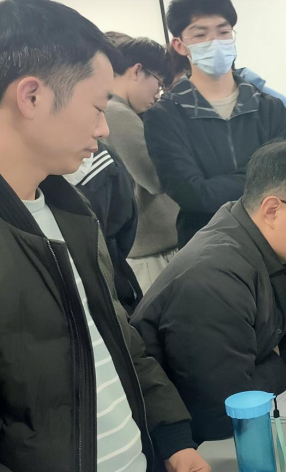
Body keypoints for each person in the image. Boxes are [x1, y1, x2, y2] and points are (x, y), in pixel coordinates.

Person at [0, 1, 210, 471]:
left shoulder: (72, 211)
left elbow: (114, 334)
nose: (103, 127)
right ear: (31, 97)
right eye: (97, 107)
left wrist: (172, 436)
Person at [131, 139, 286, 443]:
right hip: (191, 449)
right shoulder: (213, 279)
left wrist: (262, 369)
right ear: (272, 210)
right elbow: (225, 414)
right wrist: (275, 361)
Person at [145, 0, 286, 248]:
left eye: (223, 32)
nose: (215, 41)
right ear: (180, 45)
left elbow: (285, 178)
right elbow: (192, 194)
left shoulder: (269, 108)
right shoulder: (165, 116)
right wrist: (258, 181)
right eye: (200, 34)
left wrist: (218, 185)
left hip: (273, 242)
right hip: (205, 248)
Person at [106, 37, 181, 293]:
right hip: (152, 253)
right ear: (137, 70)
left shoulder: (114, 110)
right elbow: (155, 178)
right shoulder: (116, 113)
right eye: (158, 84)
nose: (157, 95)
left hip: (150, 249)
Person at [64, 141, 143, 314]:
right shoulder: (103, 155)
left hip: (76, 295)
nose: (103, 131)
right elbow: (125, 219)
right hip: (114, 278)